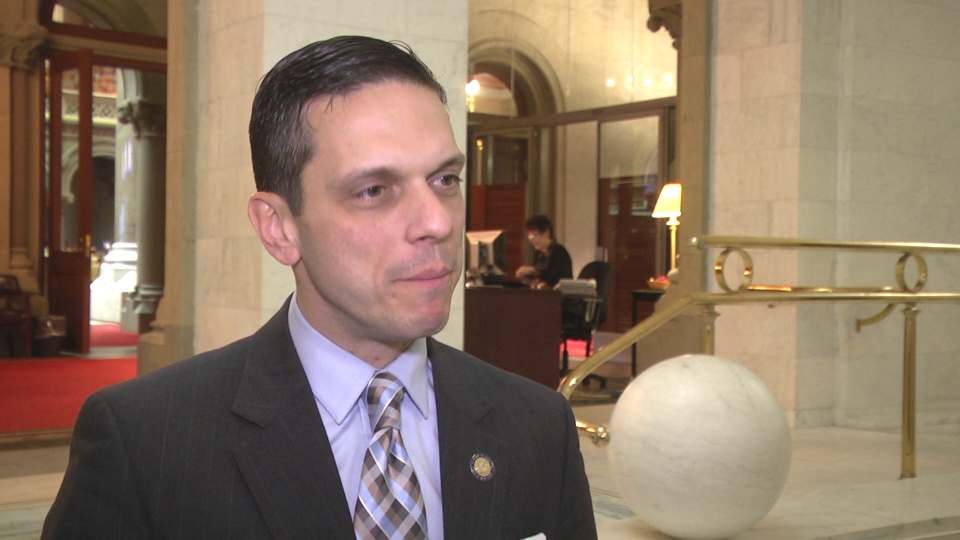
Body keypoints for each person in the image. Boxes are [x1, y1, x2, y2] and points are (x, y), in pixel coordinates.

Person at [42, 36, 597, 539]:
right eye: (374, 190)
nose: (437, 221)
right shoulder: (145, 442)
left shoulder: (538, 427)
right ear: (279, 229)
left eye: (445, 179)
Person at [515, 214, 574, 289]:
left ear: (546, 232)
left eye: (535, 235)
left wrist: (533, 270)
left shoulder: (559, 251)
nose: (532, 240)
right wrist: (526, 275)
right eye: (530, 237)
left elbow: (555, 277)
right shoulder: (539, 254)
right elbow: (538, 276)